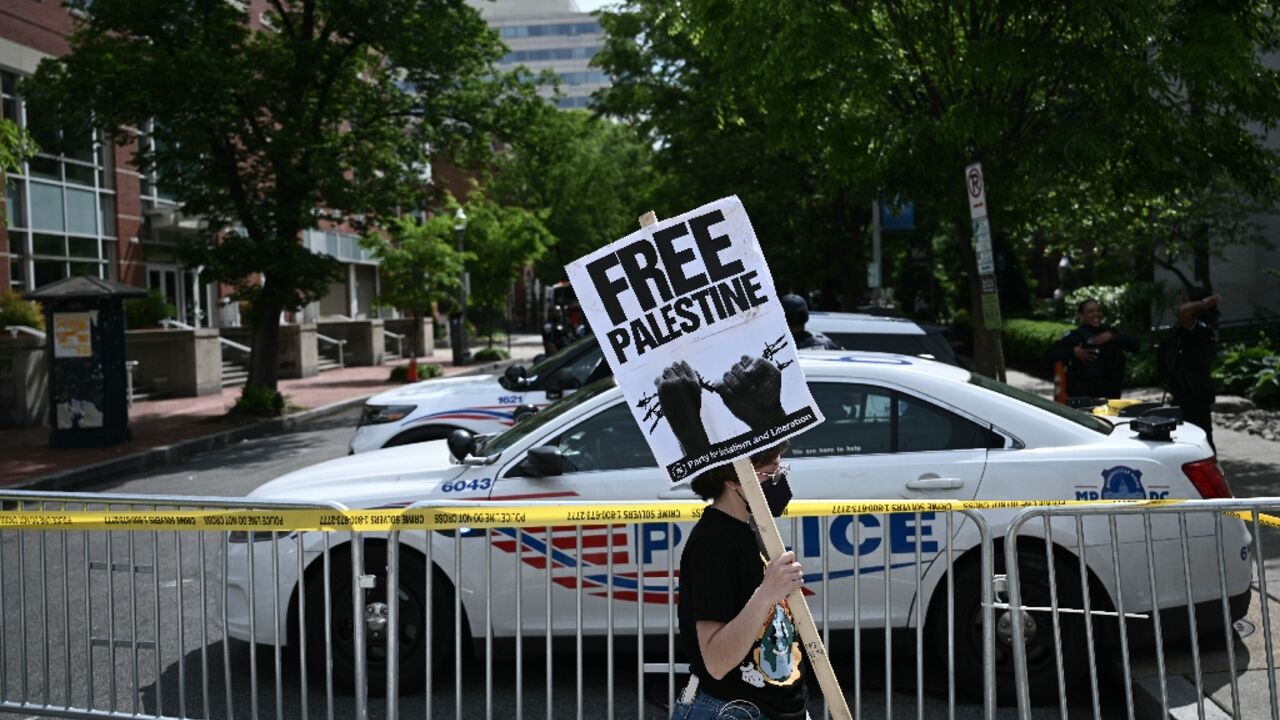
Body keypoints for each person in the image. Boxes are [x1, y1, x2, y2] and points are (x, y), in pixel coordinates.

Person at [673, 444, 810, 720]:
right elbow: (716, 660)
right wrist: (766, 594)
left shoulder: (755, 529)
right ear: (734, 480)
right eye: (770, 474)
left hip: (775, 705)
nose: (778, 482)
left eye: (781, 470)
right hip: (733, 709)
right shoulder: (713, 543)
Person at [1045, 298, 1139, 400]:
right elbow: (1049, 355)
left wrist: (1113, 336)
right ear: (1081, 316)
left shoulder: (1110, 332)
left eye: (1098, 311)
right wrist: (1073, 352)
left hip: (1111, 395)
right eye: (1090, 311)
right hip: (1083, 396)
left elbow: (1135, 346)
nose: (1095, 314)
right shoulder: (1075, 336)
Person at [1165, 287, 1221, 450]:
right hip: (1183, 390)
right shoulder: (1189, 327)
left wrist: (1204, 303)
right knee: (1189, 437)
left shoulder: (1198, 327)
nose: (1181, 304)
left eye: (1185, 300)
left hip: (1194, 391)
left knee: (1199, 438)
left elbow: (1183, 311)